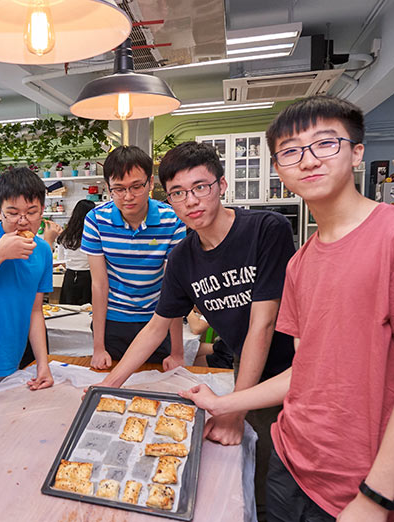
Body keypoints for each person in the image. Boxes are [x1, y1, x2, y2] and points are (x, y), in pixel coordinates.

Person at [180, 95, 394, 521]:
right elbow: (305, 371)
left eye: (325, 143)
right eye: (290, 151)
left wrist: (375, 497)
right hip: (293, 464)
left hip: (372, 486)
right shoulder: (301, 263)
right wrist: (227, 403)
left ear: (356, 152)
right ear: (278, 169)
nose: (308, 160)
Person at [94, 141, 296, 521]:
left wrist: (235, 409)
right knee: (249, 470)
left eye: (200, 187)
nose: (190, 201)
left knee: (283, 478)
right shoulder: (182, 258)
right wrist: (110, 384)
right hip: (246, 369)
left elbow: (263, 324)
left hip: (293, 370)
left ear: (221, 185)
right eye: (178, 193)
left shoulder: (266, 229)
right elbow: (157, 326)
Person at [81, 145, 187, 370]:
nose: (128, 197)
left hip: (158, 321)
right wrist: (98, 347)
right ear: (108, 187)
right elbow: (99, 285)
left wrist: (177, 351)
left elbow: (173, 286)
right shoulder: (96, 220)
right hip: (113, 322)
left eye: (136, 187)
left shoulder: (172, 220)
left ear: (150, 183)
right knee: (109, 382)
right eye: (118, 189)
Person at [0, 167, 54, 408]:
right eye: (13, 213)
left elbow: (35, 311)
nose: (23, 221)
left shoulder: (43, 251)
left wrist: (43, 364)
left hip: (12, 362)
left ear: (42, 210)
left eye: (31, 212)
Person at [56, 199, 95, 305]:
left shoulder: (65, 235)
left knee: (68, 309)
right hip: (88, 277)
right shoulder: (93, 234)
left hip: (70, 276)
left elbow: (61, 260)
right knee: (88, 310)